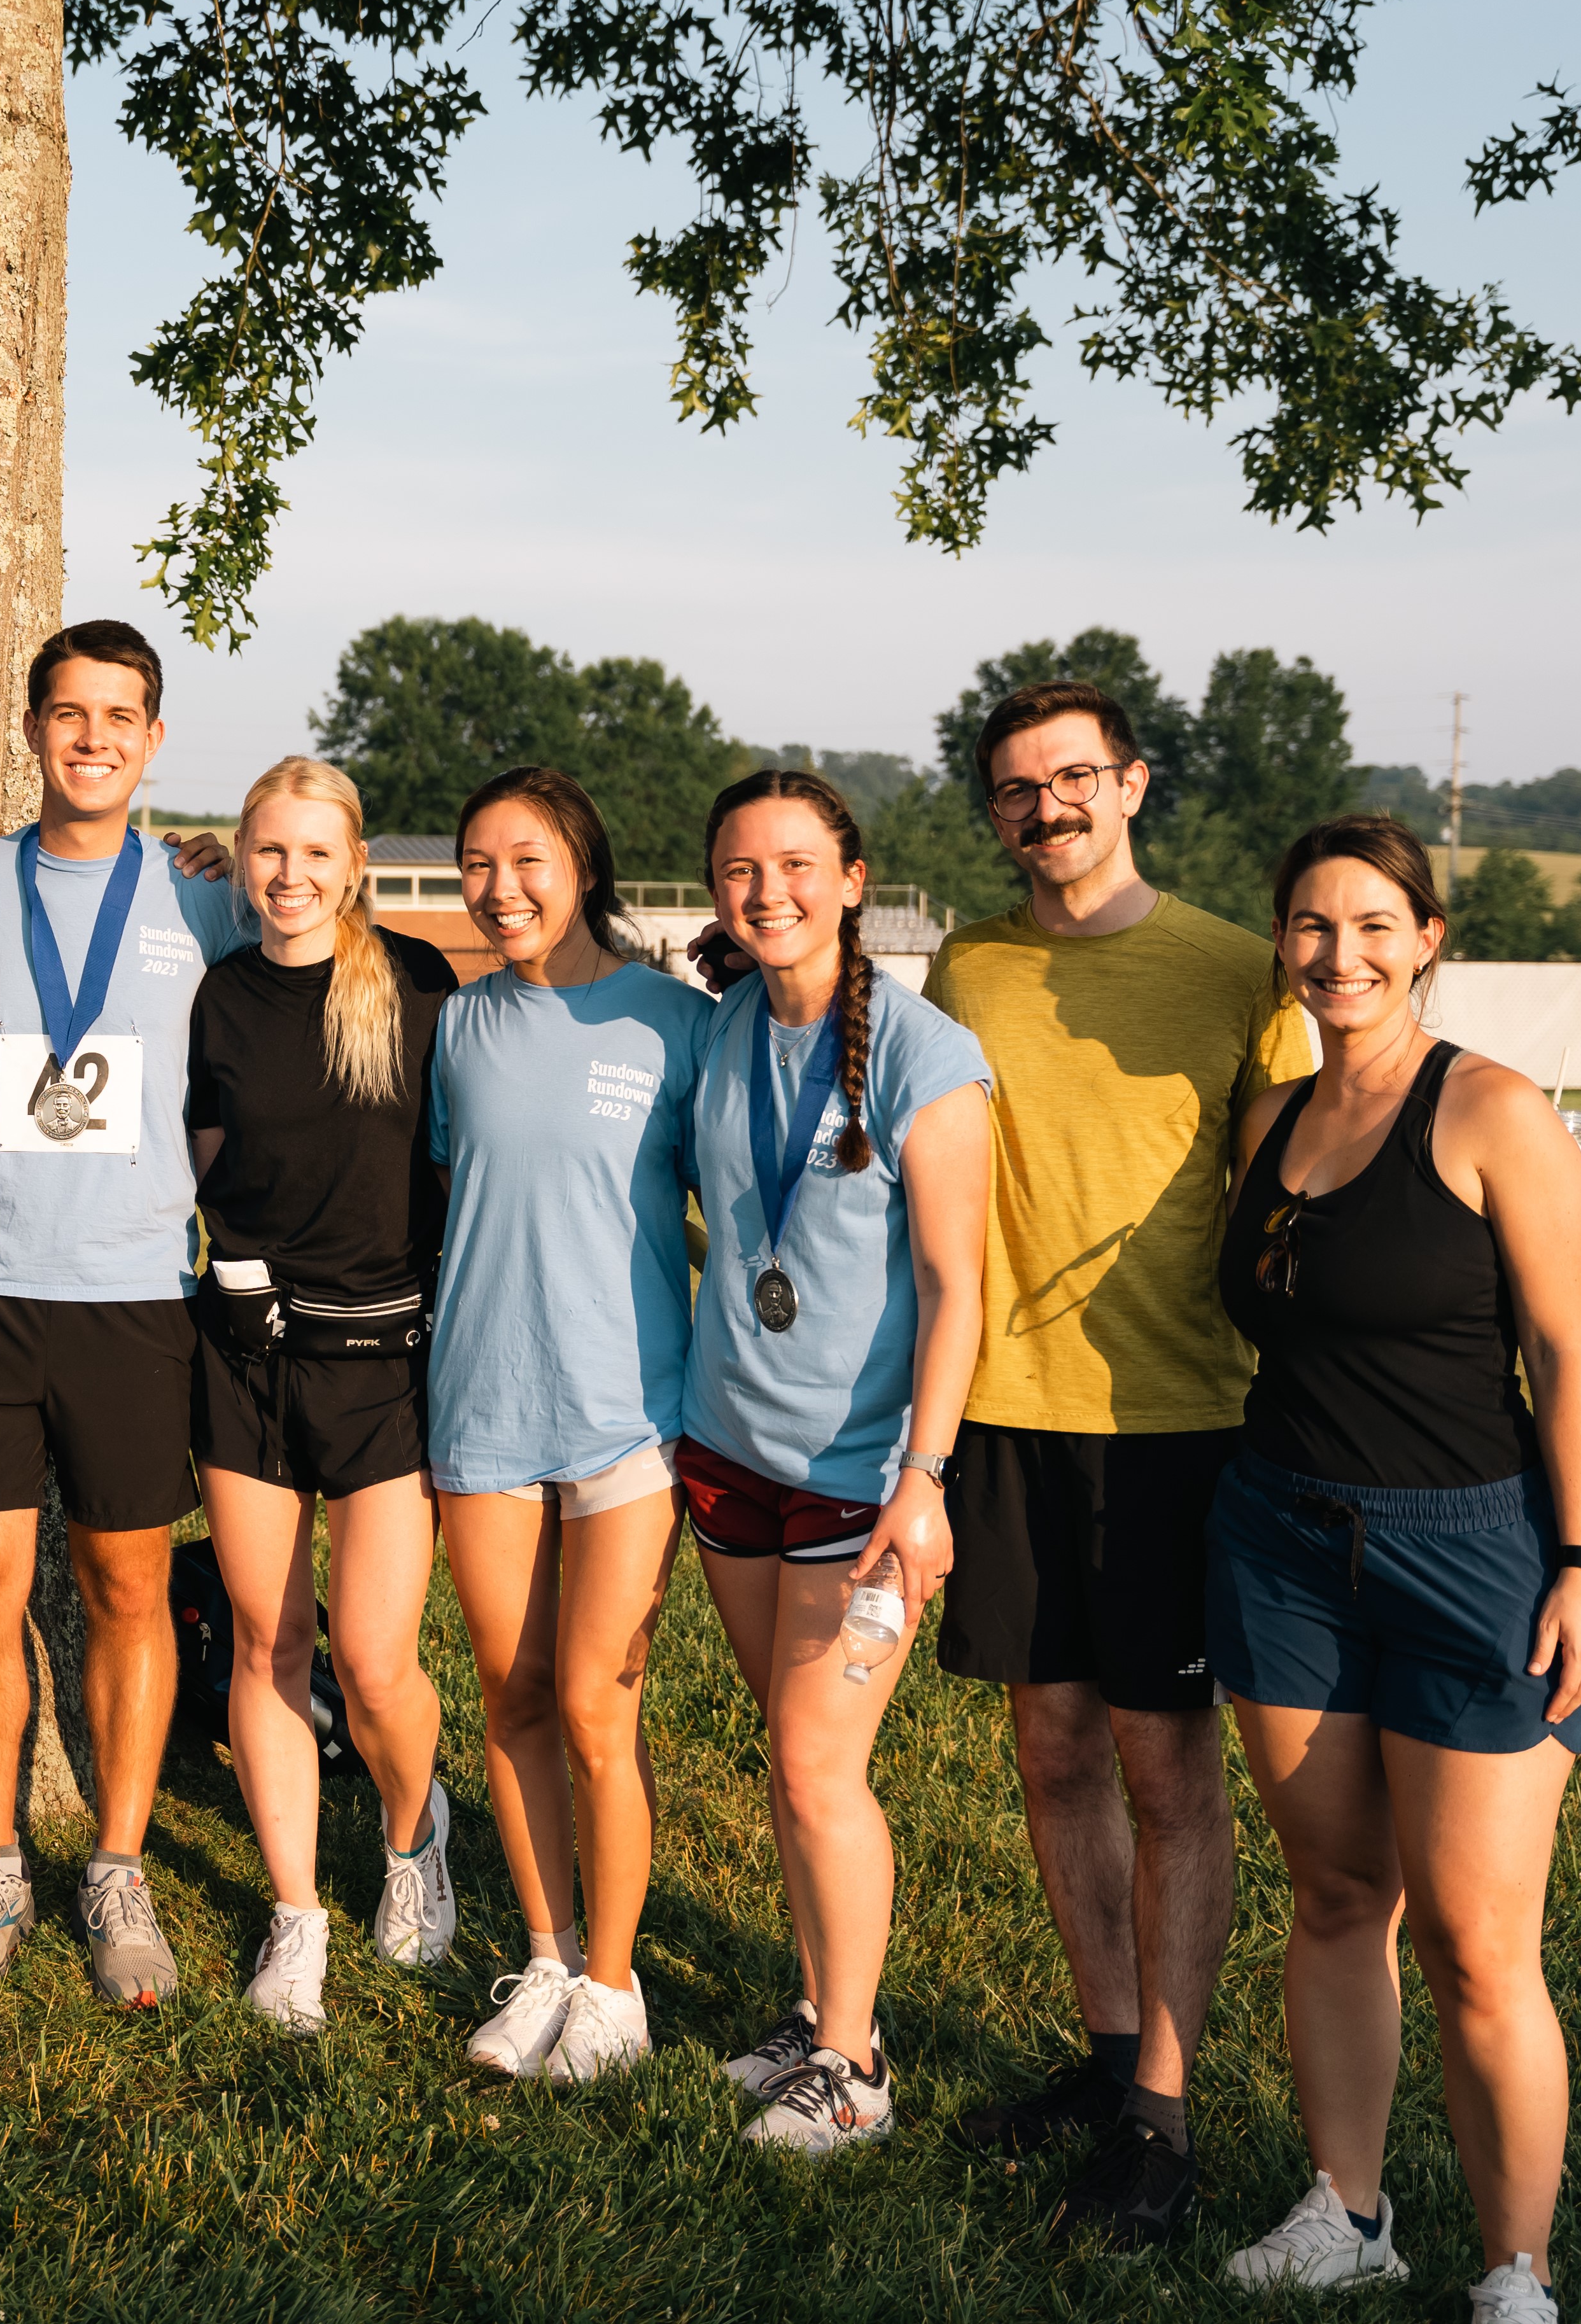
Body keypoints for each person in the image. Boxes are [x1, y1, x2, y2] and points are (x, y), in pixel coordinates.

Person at [919, 678, 1315, 2242]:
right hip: (1006, 1413)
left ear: (1133, 783)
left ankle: (1163, 2109)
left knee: (1169, 1770)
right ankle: (1101, 2055)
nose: (1048, 808)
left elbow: (1290, 1198)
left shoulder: (1236, 971)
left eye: (1074, 776)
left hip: (1180, 1425)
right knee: (1055, 1751)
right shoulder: (969, 964)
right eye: (1018, 788)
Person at [1209, 818, 1581, 2321]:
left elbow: (1565, 1359)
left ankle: (1517, 2270)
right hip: (1284, 1543)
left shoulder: (1498, 1114)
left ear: (1428, 935)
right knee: (1332, 1892)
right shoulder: (1269, 1122)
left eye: (1374, 923)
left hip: (1474, 1552)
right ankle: (1349, 2209)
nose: (1341, 953)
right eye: (1312, 926)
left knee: (1476, 1940)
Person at [0, 620, 248, 2005]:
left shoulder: (207, 902)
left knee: (124, 1587)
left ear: (154, 739)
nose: (94, 736)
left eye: (121, 715)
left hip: (134, 1298)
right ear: (33, 728)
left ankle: (116, 1862)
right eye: (69, 713)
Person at [668, 770, 992, 2150]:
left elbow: (956, 1282)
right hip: (731, 1452)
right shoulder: (723, 1025)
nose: (769, 892)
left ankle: (856, 2068)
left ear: (855, 879)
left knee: (816, 1765)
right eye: (741, 870)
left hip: (866, 1482)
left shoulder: (930, 1053)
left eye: (798, 865)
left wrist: (924, 1476)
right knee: (790, 1755)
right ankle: (817, 2007)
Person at [429, 766, 706, 2087]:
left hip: (627, 1416)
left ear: (583, 864)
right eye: (479, 863)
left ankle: (614, 1980)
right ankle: (544, 1953)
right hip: (483, 1404)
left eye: (527, 859)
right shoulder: (455, 1023)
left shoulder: (673, 1024)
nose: (501, 888)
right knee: (515, 1694)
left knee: (600, 1705)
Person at [182, 755, 460, 2036]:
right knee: (266, 1643)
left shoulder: (413, 984)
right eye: (267, 852)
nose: (289, 877)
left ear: (353, 863)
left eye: (314, 854)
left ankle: (414, 1834)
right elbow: (199, 1160)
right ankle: (296, 1912)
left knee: (374, 1656)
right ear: (239, 857)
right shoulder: (216, 992)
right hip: (247, 1357)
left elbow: (460, 1172)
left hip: (384, 1367)